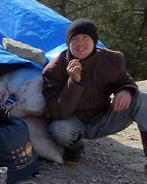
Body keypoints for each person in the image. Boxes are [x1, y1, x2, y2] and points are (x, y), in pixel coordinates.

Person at [42, 18, 147, 169]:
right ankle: (74, 149)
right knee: (59, 129)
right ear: (68, 43)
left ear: (95, 41)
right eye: (75, 39)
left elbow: (125, 80)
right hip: (73, 123)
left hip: (103, 118)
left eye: (86, 37)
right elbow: (58, 112)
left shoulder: (112, 59)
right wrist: (74, 82)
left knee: (142, 99)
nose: (80, 43)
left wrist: (126, 90)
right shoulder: (54, 70)